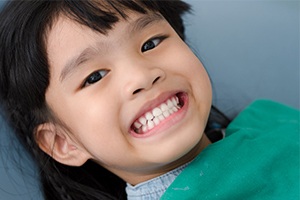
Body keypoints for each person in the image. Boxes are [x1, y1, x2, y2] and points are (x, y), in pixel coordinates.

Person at [0, 1, 298, 200]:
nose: (142, 77)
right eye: (94, 77)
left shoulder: (272, 123)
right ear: (63, 143)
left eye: (150, 43)